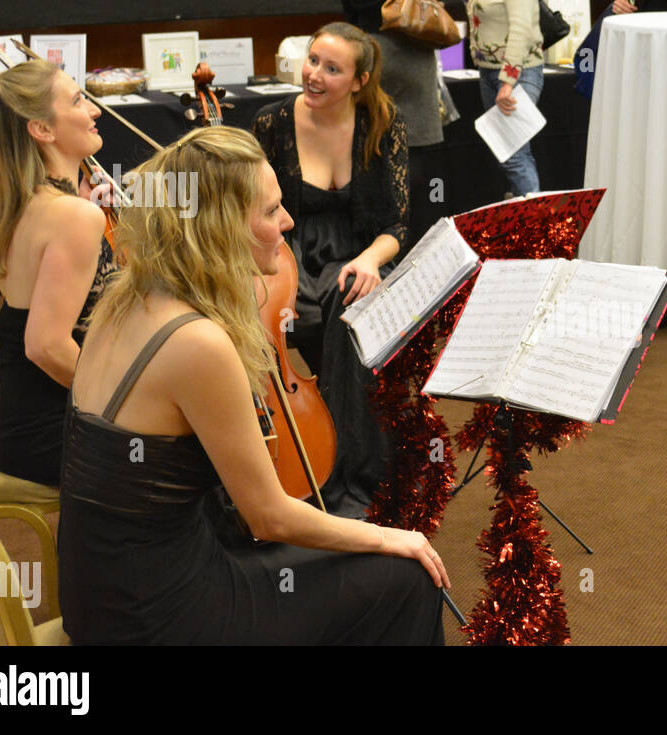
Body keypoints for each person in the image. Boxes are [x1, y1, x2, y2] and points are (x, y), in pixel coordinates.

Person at [58, 126, 448, 644]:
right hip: (155, 617)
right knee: (406, 577)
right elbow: (269, 517)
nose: (288, 221)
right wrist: (389, 536)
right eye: (270, 212)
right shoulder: (197, 341)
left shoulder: (123, 297)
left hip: (98, 593)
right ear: (219, 228)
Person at [251, 22, 407, 512]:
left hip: (362, 255)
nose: (313, 75)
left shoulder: (384, 122)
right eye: (313, 60)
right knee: (302, 316)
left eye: (332, 68)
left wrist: (370, 260)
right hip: (287, 252)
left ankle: (360, 472)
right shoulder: (271, 123)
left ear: (359, 82)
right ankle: (313, 456)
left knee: (356, 304)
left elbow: (396, 224)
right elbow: (252, 213)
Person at [0, 58, 117, 490]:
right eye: (77, 100)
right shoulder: (73, 216)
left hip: (20, 421)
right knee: (193, 456)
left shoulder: (26, 204)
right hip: (52, 429)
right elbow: (46, 346)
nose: (94, 111)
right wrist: (122, 402)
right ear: (43, 129)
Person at [343, 0, 449, 253]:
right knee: (425, 173)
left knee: (376, 144)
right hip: (420, 43)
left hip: (376, 46)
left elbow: (351, 9)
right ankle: (427, 251)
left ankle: (386, 247)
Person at [469, 0, 544, 196]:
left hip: (520, 72)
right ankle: (520, 211)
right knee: (504, 152)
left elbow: (521, 29)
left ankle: (537, 222)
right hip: (487, 71)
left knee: (514, 154)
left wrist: (508, 82)